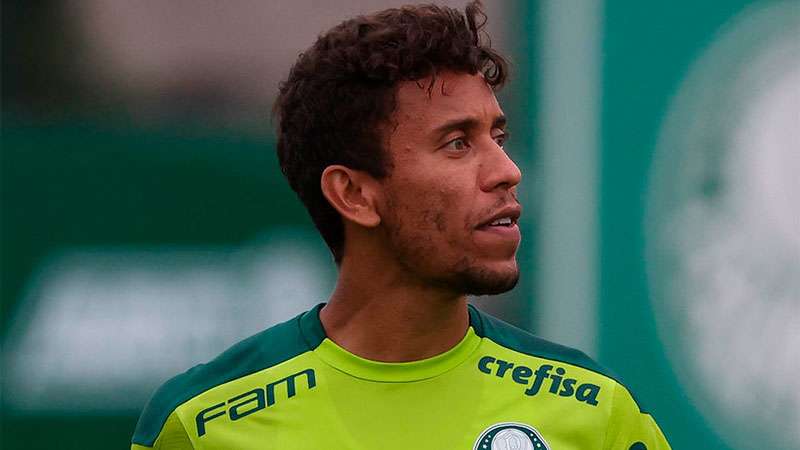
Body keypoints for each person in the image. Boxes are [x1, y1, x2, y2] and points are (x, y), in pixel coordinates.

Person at [131, 2, 671, 449]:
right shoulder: (203, 423)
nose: (508, 172)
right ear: (354, 194)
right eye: (458, 143)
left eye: (498, 139)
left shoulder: (598, 411)